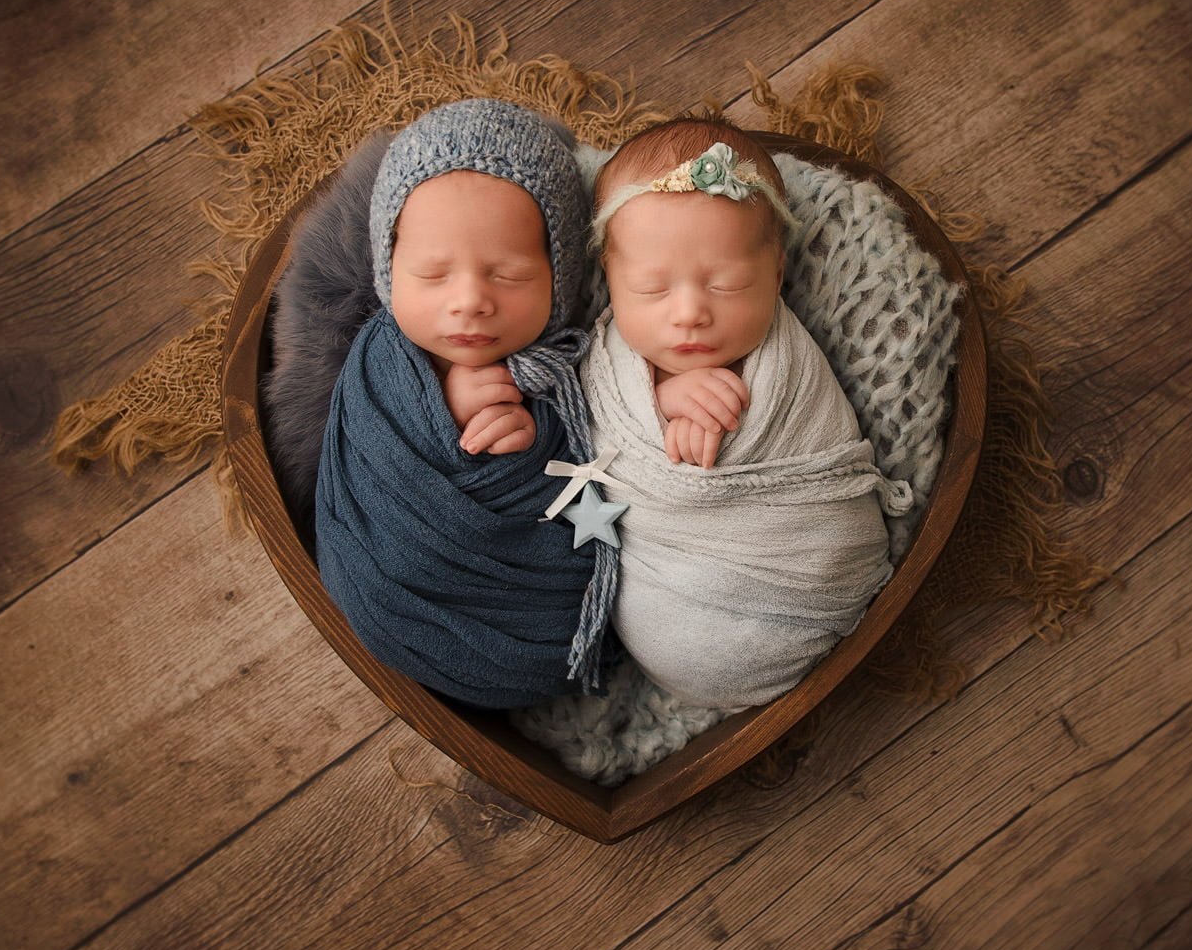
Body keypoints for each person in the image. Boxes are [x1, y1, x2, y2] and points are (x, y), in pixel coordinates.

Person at [579, 116, 911, 710]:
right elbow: (592, 421)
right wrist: (661, 399)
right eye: (653, 288)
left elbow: (711, 465)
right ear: (610, 278)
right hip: (664, 588)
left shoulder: (780, 368)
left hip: (797, 575)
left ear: (777, 274)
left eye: (727, 285)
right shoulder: (606, 360)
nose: (689, 314)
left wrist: (700, 415)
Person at [313, 99, 616, 709]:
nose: (470, 300)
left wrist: (528, 447)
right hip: (391, 583)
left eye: (506, 274)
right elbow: (359, 447)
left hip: (534, 611)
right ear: (389, 269)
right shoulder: (380, 361)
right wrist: (437, 413)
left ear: (561, 278)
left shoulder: (575, 369)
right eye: (432, 273)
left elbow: (599, 465)